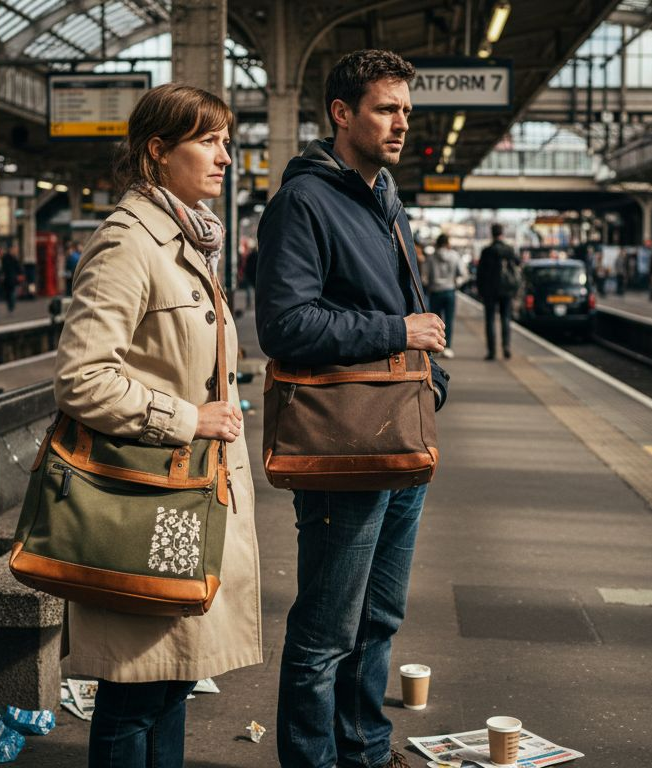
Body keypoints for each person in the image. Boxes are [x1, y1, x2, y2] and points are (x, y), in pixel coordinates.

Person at [52, 83, 261, 768]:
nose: (225, 157)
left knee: (170, 686)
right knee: (135, 692)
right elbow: (82, 377)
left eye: (227, 141)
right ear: (157, 150)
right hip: (145, 500)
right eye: (209, 141)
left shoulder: (187, 242)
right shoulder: (128, 244)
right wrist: (187, 417)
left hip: (185, 498)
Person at [255, 49, 449, 768]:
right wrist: (400, 332)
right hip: (342, 444)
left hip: (398, 434)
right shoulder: (302, 203)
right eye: (385, 109)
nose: (401, 123)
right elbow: (286, 326)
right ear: (342, 114)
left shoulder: (383, 195)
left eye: (405, 110)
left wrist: (429, 378)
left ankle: (364, 750)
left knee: (379, 621)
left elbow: (403, 300)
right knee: (325, 632)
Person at [476, 223, 519, 360]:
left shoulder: (486, 251)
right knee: (505, 318)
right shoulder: (509, 249)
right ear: (502, 233)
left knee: (490, 320)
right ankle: (506, 346)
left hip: (490, 290)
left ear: (492, 233)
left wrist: (481, 290)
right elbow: (517, 265)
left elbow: (480, 273)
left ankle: (492, 351)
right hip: (506, 290)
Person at [424, 233, 467, 357]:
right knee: (449, 320)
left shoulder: (431, 258)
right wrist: (456, 283)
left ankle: (436, 347)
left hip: (435, 292)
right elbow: (463, 274)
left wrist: (430, 284)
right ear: (448, 243)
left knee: (435, 322)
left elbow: (424, 277)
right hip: (450, 291)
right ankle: (447, 348)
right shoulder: (455, 256)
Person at [1, 247, 22, 314]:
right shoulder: (12, 258)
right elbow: (18, 267)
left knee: (10, 293)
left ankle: (11, 306)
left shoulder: (6, 258)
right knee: (11, 293)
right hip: (11, 278)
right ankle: (11, 306)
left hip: (9, 278)